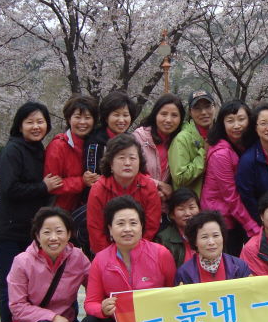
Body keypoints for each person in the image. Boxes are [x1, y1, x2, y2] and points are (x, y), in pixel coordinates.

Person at [0, 101, 62, 322]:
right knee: (9, 283)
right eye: (30, 122)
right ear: (20, 126)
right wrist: (43, 187)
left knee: (31, 284)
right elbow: (9, 189)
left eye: (41, 121)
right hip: (8, 232)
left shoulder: (38, 149)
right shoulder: (12, 151)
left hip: (30, 231)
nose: (36, 126)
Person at [201, 99, 260, 256]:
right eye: (230, 121)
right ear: (222, 124)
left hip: (235, 215)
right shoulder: (221, 154)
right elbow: (231, 196)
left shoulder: (243, 145)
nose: (236, 125)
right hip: (222, 219)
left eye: (241, 119)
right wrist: (252, 227)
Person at [87, 134, 161, 254]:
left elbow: (151, 227)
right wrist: (111, 257)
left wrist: (136, 254)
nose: (127, 163)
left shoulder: (149, 187)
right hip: (106, 251)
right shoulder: (99, 189)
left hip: (142, 251)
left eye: (132, 158)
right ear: (111, 163)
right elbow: (96, 231)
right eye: (121, 158)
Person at [132, 94, 186, 223]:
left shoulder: (180, 141)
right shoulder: (138, 138)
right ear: (155, 114)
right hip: (137, 207)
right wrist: (159, 186)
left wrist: (168, 191)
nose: (168, 120)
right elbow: (130, 173)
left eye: (174, 115)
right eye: (164, 114)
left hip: (163, 211)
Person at [44, 96, 100, 212]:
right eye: (77, 117)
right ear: (69, 119)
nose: (82, 122)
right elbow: (52, 185)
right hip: (59, 211)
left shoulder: (95, 145)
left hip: (84, 209)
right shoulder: (57, 146)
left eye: (87, 118)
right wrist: (82, 181)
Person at [174, 210, 252, 285]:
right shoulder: (184, 273)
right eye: (204, 237)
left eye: (216, 235)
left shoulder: (240, 267)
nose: (211, 242)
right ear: (195, 241)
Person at [168, 90, 216, 197]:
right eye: (197, 108)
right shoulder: (182, 139)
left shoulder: (224, 133)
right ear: (190, 112)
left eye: (207, 106)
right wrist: (204, 154)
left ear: (214, 107)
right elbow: (180, 178)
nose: (203, 112)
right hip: (191, 203)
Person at [83, 90, 137, 175]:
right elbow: (93, 177)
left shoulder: (132, 141)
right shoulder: (95, 143)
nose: (121, 120)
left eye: (125, 115)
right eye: (116, 115)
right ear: (106, 118)